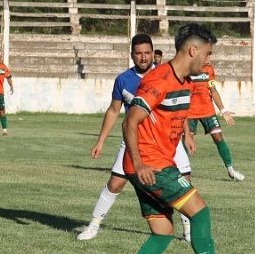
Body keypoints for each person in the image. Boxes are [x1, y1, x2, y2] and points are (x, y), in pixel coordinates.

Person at [110, 23, 248, 254]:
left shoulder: (185, 82)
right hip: (151, 165)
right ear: (193, 50)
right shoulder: (159, 80)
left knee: (162, 232)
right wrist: (140, 162)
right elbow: (130, 121)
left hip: (154, 163)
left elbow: (173, 116)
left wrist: (186, 134)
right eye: (208, 54)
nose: (209, 60)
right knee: (200, 212)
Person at [77, 34, 192, 242]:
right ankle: (93, 226)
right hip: (135, 140)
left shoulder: (165, 75)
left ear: (153, 53)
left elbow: (179, 106)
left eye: (147, 53)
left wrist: (188, 135)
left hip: (167, 140)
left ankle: (188, 232)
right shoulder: (123, 80)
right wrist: (100, 141)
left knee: (184, 181)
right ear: (131, 55)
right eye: (138, 53)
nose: (143, 57)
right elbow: (114, 110)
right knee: (115, 183)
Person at [187, 61, 245, 181]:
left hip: (207, 110)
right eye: (207, 54)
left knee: (218, 138)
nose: (209, 58)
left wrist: (223, 110)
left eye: (210, 55)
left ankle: (230, 170)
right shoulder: (187, 67)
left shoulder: (209, 69)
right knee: (188, 142)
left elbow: (213, 90)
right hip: (189, 112)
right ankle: (182, 171)